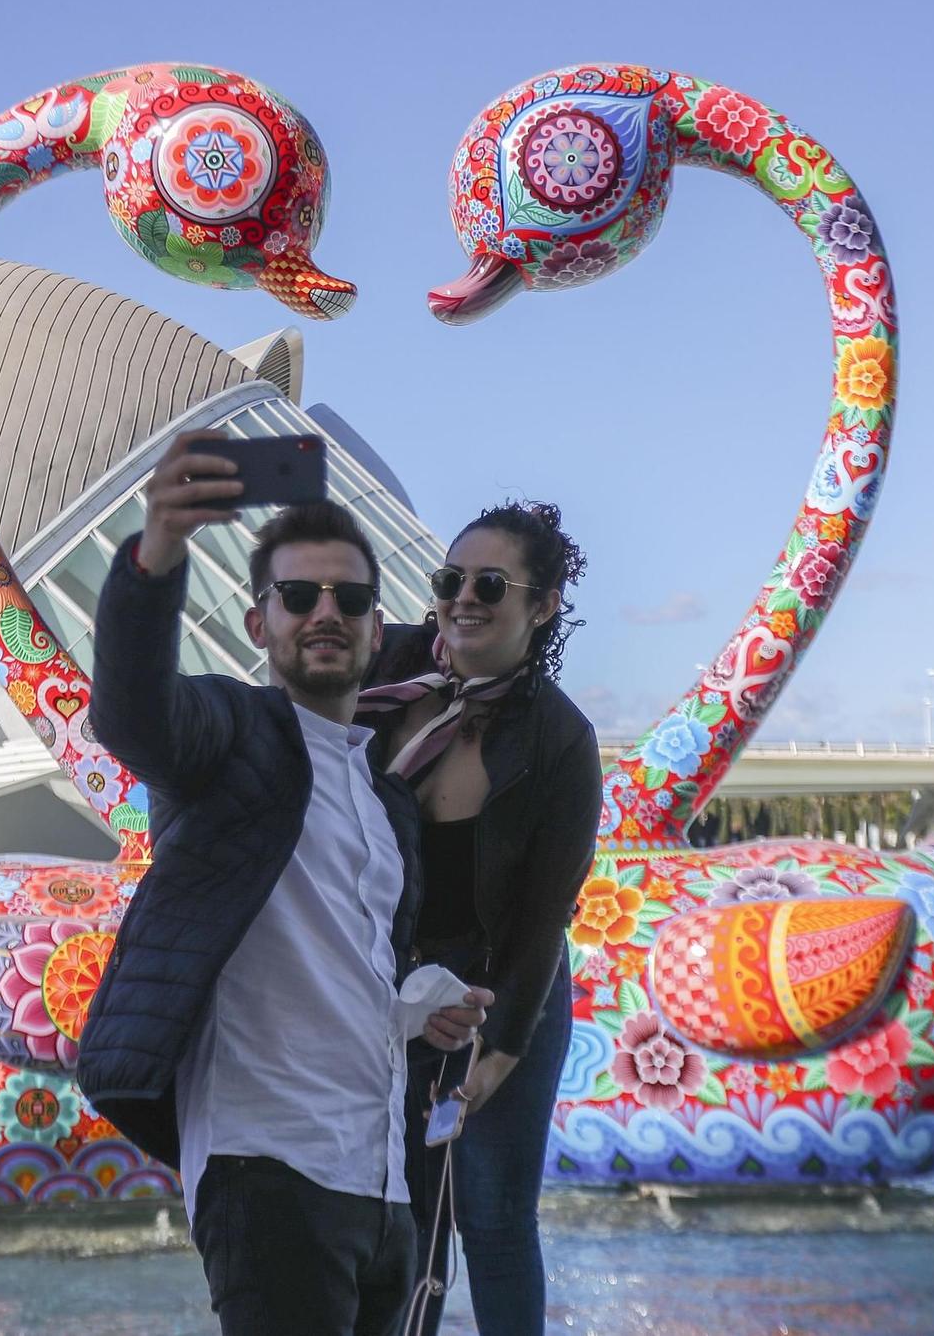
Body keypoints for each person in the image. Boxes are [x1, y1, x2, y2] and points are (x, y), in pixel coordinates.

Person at [77, 432, 492, 1336]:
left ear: (380, 628)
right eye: (298, 595)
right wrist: (158, 551)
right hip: (267, 1166)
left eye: (349, 597)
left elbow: (349, 975)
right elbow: (131, 710)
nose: (325, 612)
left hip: (378, 1181)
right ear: (258, 621)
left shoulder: (387, 805)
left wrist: (423, 1012)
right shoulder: (228, 735)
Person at [357, 501, 601, 1336]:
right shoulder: (378, 664)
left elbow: (542, 918)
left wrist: (497, 1054)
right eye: (448, 580)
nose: (463, 598)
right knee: (398, 1216)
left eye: (490, 584)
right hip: (380, 983)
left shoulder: (561, 741)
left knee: (492, 1220)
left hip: (501, 991)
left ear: (543, 605)